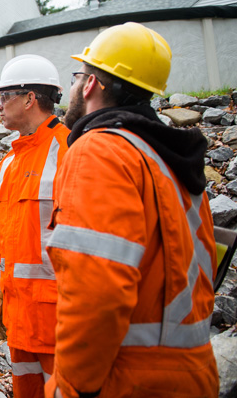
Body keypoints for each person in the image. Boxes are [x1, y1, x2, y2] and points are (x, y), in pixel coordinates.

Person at [45, 22, 219, 397]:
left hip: (130, 379)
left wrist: (72, 386)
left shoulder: (100, 151)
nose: (74, 87)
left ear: (90, 84)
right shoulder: (168, 159)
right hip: (193, 372)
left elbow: (97, 290)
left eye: (78, 76)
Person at [0, 55, 69, 398]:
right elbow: (3, 240)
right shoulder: (9, 163)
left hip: (59, 322)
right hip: (19, 320)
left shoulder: (70, 150)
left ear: (30, 99)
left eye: (4, 98)